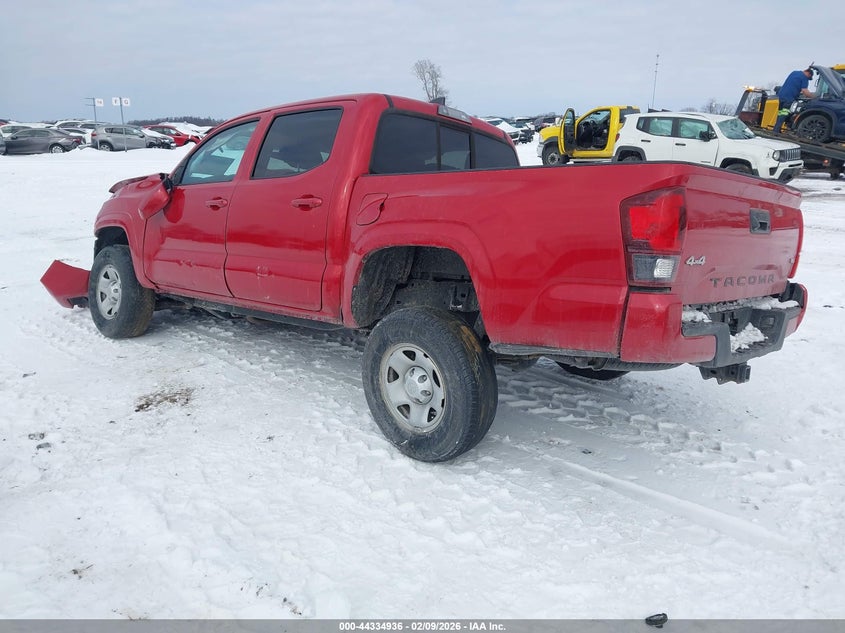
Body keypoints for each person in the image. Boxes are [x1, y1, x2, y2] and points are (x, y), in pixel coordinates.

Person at [773, 67, 816, 134]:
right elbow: (805, 91)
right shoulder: (805, 78)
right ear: (809, 74)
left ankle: (776, 129)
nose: (808, 79)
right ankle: (776, 131)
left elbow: (793, 83)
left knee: (780, 113)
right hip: (789, 97)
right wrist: (813, 97)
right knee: (784, 113)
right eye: (809, 77)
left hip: (781, 95)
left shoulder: (794, 72)